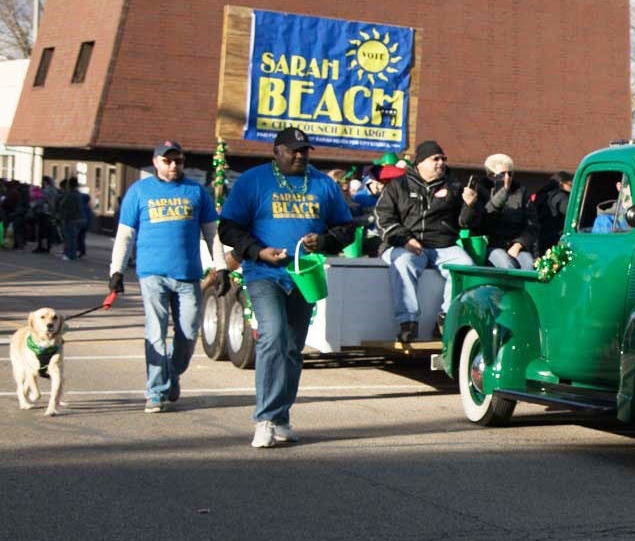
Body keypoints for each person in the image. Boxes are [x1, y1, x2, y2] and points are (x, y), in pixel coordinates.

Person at [219, 127, 354, 448]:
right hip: (263, 272)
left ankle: (281, 417)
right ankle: (264, 419)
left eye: (304, 150)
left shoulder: (323, 184)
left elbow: (347, 228)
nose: (299, 156)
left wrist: (324, 240)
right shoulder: (253, 181)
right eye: (293, 150)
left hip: (304, 274)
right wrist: (257, 251)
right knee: (274, 335)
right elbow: (228, 227)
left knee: (293, 347)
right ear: (276, 151)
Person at [109, 140, 229, 413]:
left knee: (188, 335)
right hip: (152, 274)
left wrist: (220, 265)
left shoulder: (197, 191)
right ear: (156, 162)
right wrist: (115, 270)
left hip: (188, 274)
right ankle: (155, 391)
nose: (174, 165)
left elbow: (212, 232)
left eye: (179, 161)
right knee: (156, 331)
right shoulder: (139, 192)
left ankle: (171, 374)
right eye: (168, 161)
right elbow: (125, 235)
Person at [375, 140, 480, 343]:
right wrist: (405, 239)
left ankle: (445, 319)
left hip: (443, 246)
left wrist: (470, 206)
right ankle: (408, 323)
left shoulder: (454, 186)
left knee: (466, 268)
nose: (441, 163)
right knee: (403, 263)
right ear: (420, 162)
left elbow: (465, 224)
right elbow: (383, 217)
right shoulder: (399, 185)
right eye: (435, 159)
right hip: (406, 244)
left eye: (443, 159)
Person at [478, 153, 537, 269]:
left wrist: (519, 244)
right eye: (502, 174)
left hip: (515, 243)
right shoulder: (481, 191)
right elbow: (483, 218)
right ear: (490, 175)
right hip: (491, 245)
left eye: (509, 173)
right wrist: (502, 193)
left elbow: (532, 224)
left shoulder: (520, 192)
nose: (507, 177)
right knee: (507, 265)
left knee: (529, 265)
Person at [532, 170, 573, 254]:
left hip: (541, 239)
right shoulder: (560, 196)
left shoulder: (542, 195)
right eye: (571, 184)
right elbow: (570, 213)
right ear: (562, 183)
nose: (572, 188)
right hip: (556, 238)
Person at [56, 178, 86, 260]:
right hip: (78, 218)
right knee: (72, 238)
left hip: (72, 219)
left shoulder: (71, 195)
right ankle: (70, 253)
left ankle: (70, 255)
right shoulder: (77, 194)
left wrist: (64, 218)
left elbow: (69, 209)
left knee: (70, 238)